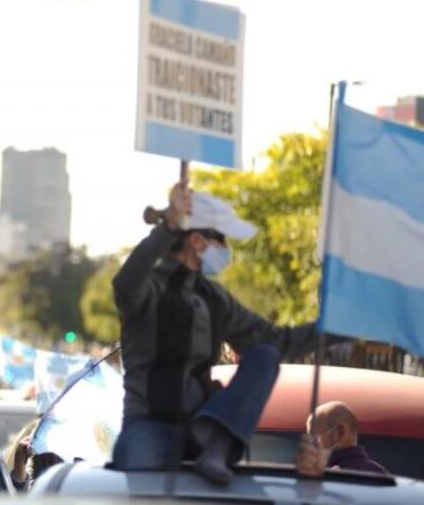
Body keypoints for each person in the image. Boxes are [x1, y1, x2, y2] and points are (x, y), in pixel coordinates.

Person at [111, 182, 324, 485]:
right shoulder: (149, 290)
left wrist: (334, 328)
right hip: (148, 428)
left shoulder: (215, 298)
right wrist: (168, 227)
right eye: (222, 239)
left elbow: (275, 341)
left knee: (265, 355)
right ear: (196, 241)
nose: (228, 249)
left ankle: (218, 447)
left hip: (202, 430)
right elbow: (126, 282)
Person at [296, 401, 389, 476]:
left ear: (339, 433)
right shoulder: (381, 475)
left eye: (314, 437)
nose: (312, 445)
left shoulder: (333, 477)